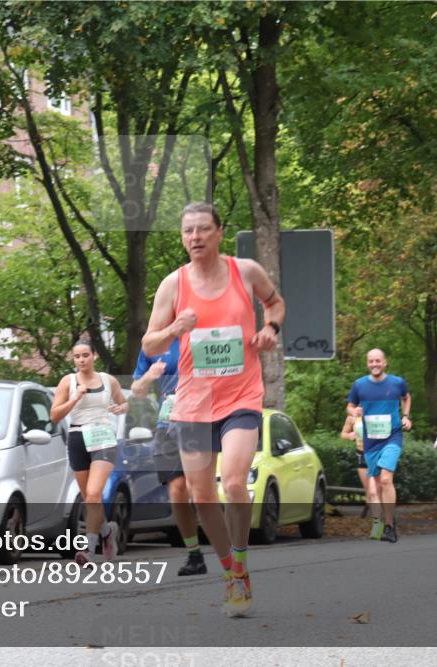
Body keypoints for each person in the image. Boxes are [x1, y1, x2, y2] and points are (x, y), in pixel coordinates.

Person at [142, 202, 285, 618]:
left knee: (236, 484)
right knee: (203, 497)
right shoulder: (173, 285)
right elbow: (149, 344)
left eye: (204, 229)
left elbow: (275, 304)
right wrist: (173, 329)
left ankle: (240, 564)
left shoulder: (246, 272)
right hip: (193, 402)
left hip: (241, 394)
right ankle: (230, 572)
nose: (196, 237)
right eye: (188, 231)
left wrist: (269, 329)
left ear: (220, 232)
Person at [130, 339, 207, 576]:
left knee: (200, 491)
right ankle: (194, 554)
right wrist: (149, 376)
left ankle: (229, 546)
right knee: (177, 491)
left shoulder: (201, 335)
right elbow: (137, 391)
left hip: (198, 420)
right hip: (167, 422)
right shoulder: (153, 344)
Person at [50, 339, 130, 565]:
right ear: (73, 359)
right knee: (88, 499)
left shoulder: (108, 380)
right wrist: (75, 398)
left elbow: (124, 403)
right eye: (77, 356)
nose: (81, 360)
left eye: (85, 355)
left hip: (103, 437)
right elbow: (55, 415)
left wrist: (119, 408)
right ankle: (107, 533)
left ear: (94, 355)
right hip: (77, 437)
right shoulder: (68, 382)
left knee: (94, 494)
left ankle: (89, 549)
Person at [346, 348, 411, 543]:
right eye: (371, 361)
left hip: (392, 436)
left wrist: (406, 417)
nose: (374, 364)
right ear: (368, 364)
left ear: (385, 362)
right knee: (379, 484)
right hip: (370, 441)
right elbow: (349, 406)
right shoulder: (359, 385)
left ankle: (389, 526)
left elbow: (406, 397)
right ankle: (389, 519)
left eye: (378, 361)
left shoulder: (397, 382)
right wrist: (354, 411)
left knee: (385, 479)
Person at [340, 412, 370, 517]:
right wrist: (349, 435)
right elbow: (343, 434)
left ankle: (383, 518)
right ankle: (369, 515)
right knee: (369, 490)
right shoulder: (352, 418)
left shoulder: (376, 411)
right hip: (361, 454)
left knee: (379, 487)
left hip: (378, 453)